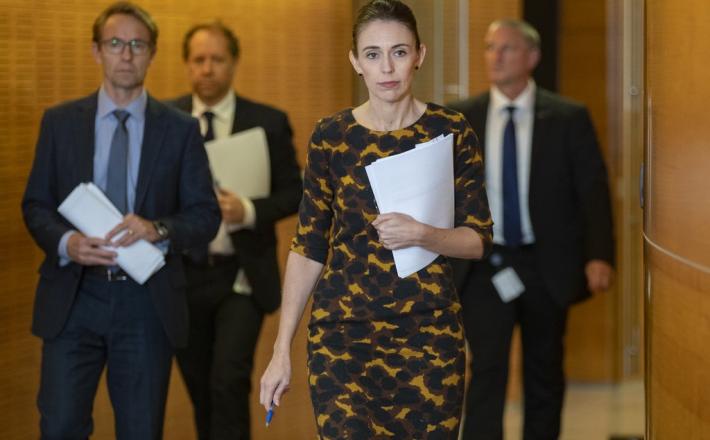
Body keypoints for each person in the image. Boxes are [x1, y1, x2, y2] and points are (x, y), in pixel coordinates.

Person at [259, 1, 492, 438]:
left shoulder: (450, 130)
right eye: (373, 54)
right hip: (342, 338)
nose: (387, 67)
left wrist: (423, 234)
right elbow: (308, 247)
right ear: (355, 62)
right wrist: (280, 350)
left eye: (399, 52)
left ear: (419, 54)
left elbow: (478, 239)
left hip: (428, 334)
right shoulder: (331, 137)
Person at [21, 2, 220, 438]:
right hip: (74, 296)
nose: (126, 54)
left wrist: (157, 229)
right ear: (97, 51)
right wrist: (67, 242)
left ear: (152, 54)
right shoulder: (59, 123)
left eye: (137, 45)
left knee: (140, 430)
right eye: (115, 43)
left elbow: (206, 215)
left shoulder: (180, 129)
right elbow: (36, 205)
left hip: (146, 301)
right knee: (60, 427)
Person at [449, 19, 615, 440]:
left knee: (544, 371)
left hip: (546, 263)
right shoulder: (464, 117)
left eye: (506, 48)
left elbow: (592, 190)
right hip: (485, 264)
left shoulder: (568, 116)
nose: (496, 56)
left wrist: (599, 254)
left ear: (532, 57)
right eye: (490, 47)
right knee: (486, 369)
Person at [168, 22, 302, 440]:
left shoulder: (267, 122)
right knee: (201, 388)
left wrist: (248, 209)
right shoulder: (165, 120)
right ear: (187, 65)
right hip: (183, 275)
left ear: (233, 63)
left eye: (217, 59)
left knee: (229, 379)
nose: (207, 69)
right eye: (198, 60)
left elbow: (295, 193)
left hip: (241, 274)